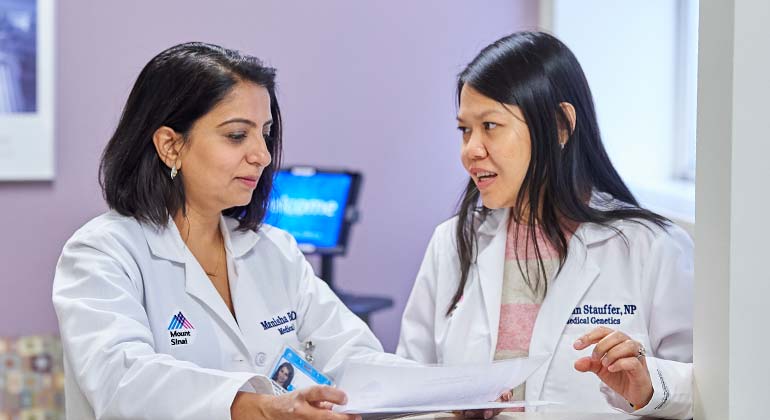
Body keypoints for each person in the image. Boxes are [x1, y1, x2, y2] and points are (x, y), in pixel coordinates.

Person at [52, 42, 389, 420]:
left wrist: (444, 391)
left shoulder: (275, 250)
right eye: (236, 135)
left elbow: (355, 356)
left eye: (265, 133)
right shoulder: (102, 252)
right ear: (170, 145)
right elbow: (124, 382)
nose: (261, 154)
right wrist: (262, 409)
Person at [396, 32, 693, 419]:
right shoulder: (453, 242)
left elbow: (711, 388)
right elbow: (408, 390)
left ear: (560, 126)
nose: (470, 150)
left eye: (490, 125)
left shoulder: (651, 246)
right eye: (465, 130)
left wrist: (649, 383)